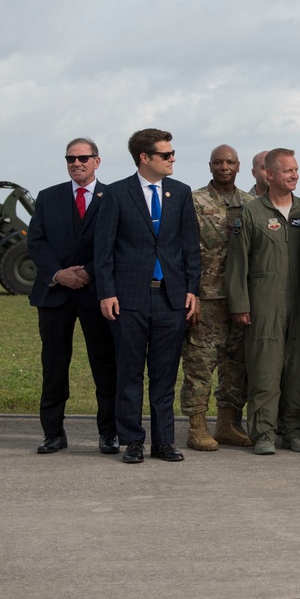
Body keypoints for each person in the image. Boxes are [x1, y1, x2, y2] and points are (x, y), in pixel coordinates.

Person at [96, 128, 201, 464]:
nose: (173, 159)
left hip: (170, 299)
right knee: (129, 373)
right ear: (145, 158)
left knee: (164, 374)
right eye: (166, 155)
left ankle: (164, 442)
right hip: (129, 299)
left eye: (172, 154)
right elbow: (104, 250)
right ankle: (133, 442)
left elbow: (189, 247)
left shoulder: (180, 193)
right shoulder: (115, 194)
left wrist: (191, 290)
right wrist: (107, 293)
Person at [28, 138, 118, 455]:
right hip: (55, 296)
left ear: (97, 161)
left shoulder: (113, 197)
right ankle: (53, 433)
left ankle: (109, 433)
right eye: (70, 158)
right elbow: (36, 242)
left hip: (97, 296)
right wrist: (58, 274)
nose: (76, 163)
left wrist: (89, 272)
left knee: (106, 367)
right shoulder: (48, 197)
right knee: (53, 366)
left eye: (83, 157)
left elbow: (117, 243)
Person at [226, 148, 300, 455]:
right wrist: (240, 304)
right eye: (288, 170)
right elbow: (237, 264)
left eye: (296, 170)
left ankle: (294, 431)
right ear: (269, 174)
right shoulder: (252, 212)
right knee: (265, 369)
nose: (294, 175)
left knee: (299, 370)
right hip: (264, 303)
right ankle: (263, 433)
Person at [179, 145, 255, 451]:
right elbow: (183, 250)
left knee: (236, 365)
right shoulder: (194, 201)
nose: (224, 166)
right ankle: (197, 426)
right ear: (210, 166)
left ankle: (227, 424)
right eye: (218, 162)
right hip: (206, 298)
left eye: (230, 162)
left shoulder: (251, 204)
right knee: (199, 365)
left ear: (239, 166)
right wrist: (191, 293)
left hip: (240, 299)